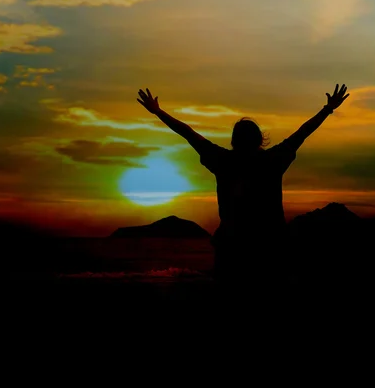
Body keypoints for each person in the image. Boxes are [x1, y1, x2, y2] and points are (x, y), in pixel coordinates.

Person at [136, 84, 350, 305]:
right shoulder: (272, 160)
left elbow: (189, 134)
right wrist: (327, 109)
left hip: (233, 249)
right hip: (270, 248)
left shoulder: (224, 160)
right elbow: (302, 133)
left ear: (234, 140)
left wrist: (158, 112)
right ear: (259, 139)